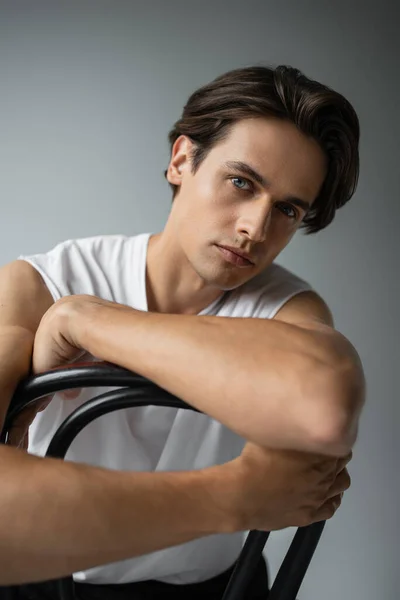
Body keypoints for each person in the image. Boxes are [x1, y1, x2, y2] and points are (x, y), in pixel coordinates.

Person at [0, 65, 365, 599]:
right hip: (44, 584)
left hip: (215, 591)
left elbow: (324, 410)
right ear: (181, 160)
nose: (256, 229)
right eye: (242, 182)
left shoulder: (287, 308)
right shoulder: (40, 286)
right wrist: (234, 496)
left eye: (287, 209)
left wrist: (88, 321)